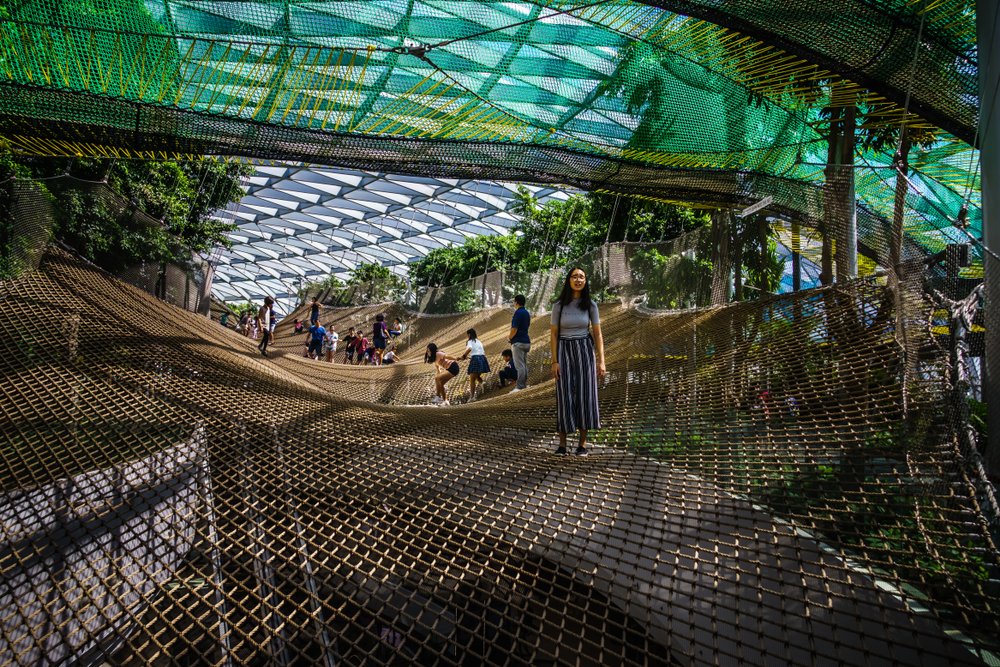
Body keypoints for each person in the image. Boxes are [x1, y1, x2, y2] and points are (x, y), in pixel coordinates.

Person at [550, 267, 605, 456]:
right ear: (568, 280)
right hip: (563, 349)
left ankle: (582, 445)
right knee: (564, 394)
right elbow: (554, 334)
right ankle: (562, 445)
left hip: (584, 350)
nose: (578, 279)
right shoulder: (559, 305)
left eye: (582, 276)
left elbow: (597, 334)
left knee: (585, 394)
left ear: (586, 281)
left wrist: (601, 361)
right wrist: (554, 361)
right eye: (574, 276)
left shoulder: (591, 305)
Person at [459, 328, 490, 400]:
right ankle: (483, 383)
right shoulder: (479, 341)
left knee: (472, 378)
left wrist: (464, 356)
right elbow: (480, 351)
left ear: (469, 334)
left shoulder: (470, 341)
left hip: (476, 359)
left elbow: (469, 348)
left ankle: (472, 397)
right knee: (476, 375)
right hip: (483, 358)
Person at [508, 294, 531, 392]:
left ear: (516, 302)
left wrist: (509, 338)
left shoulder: (518, 313)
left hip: (518, 342)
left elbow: (514, 329)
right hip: (526, 342)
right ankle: (524, 384)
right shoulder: (526, 313)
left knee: (519, 366)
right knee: (524, 365)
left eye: (514, 301)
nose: (513, 303)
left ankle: (520, 387)